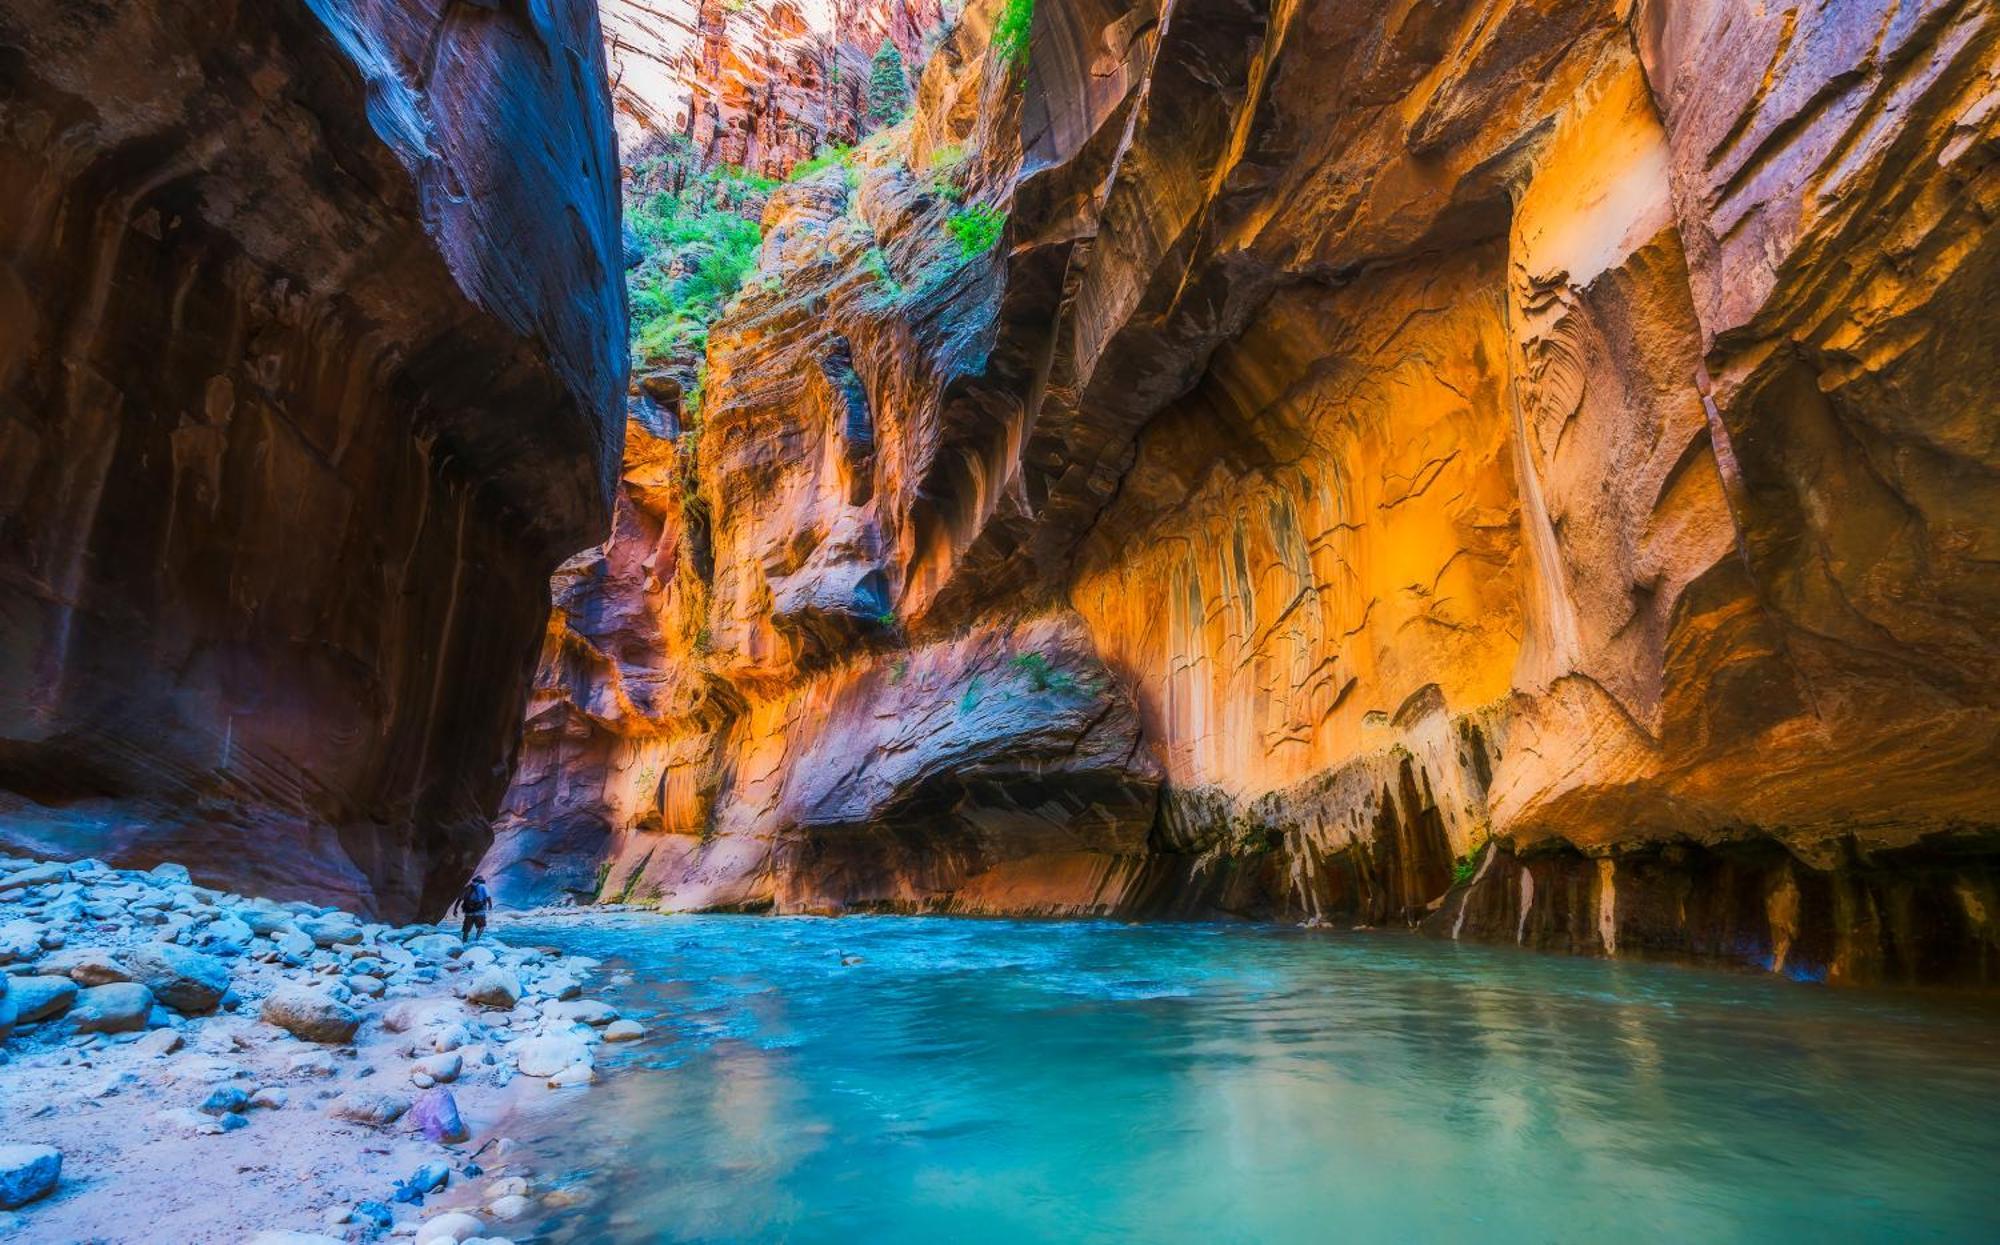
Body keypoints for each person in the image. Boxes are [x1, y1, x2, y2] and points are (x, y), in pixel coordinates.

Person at [449, 874, 493, 942]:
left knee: (466, 930)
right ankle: (476, 940)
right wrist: (490, 905)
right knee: (481, 927)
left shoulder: (468, 887)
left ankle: (464, 943)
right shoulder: (483, 886)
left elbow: (459, 899)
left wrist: (455, 910)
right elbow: (488, 897)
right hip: (479, 912)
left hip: (468, 913)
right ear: (481, 881)